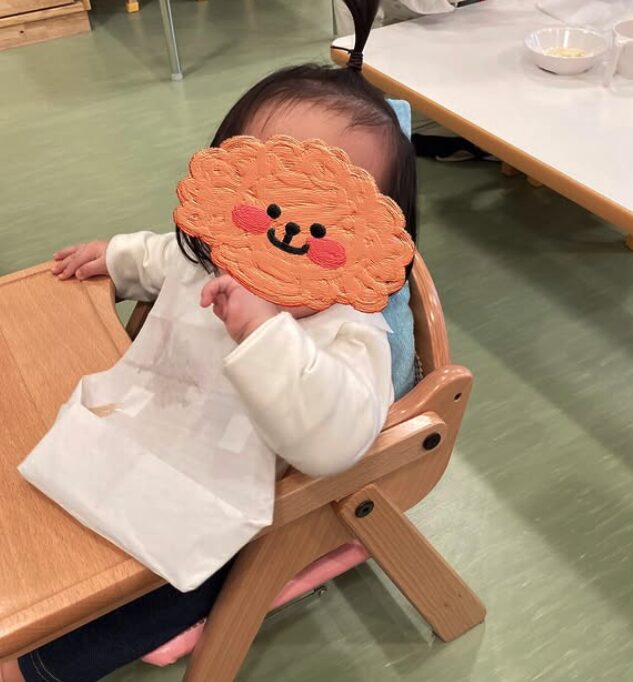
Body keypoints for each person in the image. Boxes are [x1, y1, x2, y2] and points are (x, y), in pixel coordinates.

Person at [0, 1, 418, 680]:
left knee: (174, 589)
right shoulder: (211, 258)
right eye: (271, 197)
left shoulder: (350, 331)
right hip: (132, 435)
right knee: (34, 520)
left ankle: (38, 668)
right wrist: (116, 257)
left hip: (228, 510)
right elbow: (164, 256)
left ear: (373, 237)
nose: (289, 230)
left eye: (326, 220)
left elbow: (335, 440)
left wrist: (267, 333)